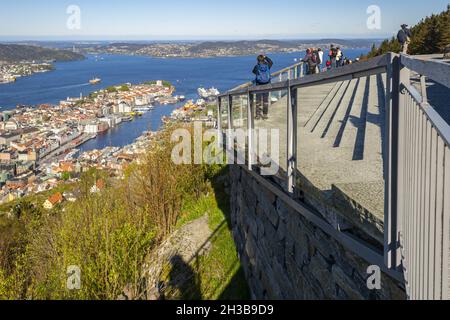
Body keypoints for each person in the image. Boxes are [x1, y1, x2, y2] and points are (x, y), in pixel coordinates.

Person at [252, 55, 273, 120]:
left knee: (258, 101)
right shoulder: (267, 66)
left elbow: (253, 72)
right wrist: (266, 57)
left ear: (258, 60)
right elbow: (271, 62)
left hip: (258, 85)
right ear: (264, 59)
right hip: (267, 85)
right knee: (265, 101)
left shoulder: (257, 66)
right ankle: (265, 114)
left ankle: (258, 115)